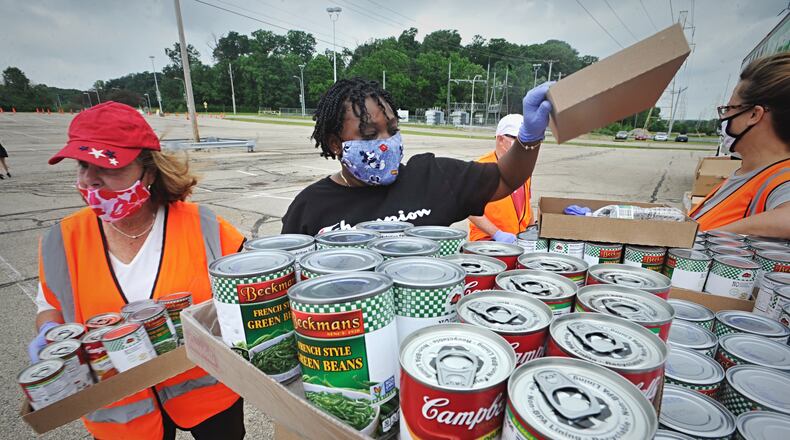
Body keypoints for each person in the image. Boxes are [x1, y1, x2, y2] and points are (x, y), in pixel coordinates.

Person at [30, 102, 246, 440]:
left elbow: (248, 294)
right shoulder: (62, 239)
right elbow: (50, 306)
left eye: (108, 167)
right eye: (83, 165)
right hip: (123, 411)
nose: (90, 181)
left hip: (208, 396)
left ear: (148, 171)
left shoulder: (204, 226)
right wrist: (50, 335)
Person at [281, 78, 552, 235]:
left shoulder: (432, 178)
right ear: (335, 143)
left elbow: (507, 177)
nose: (386, 143)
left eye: (392, 130)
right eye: (369, 134)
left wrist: (529, 138)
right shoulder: (310, 207)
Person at [689, 52, 790, 238]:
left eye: (729, 109)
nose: (725, 117)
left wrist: (709, 237)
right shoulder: (748, 173)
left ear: (754, 114)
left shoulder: (782, 178)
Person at [468, 114, 533, 243]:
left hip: (518, 240)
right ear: (501, 139)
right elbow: (469, 210)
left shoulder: (524, 167)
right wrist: (497, 234)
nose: (525, 145)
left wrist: (531, 229)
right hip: (487, 241)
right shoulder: (480, 167)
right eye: (518, 139)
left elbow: (527, 204)